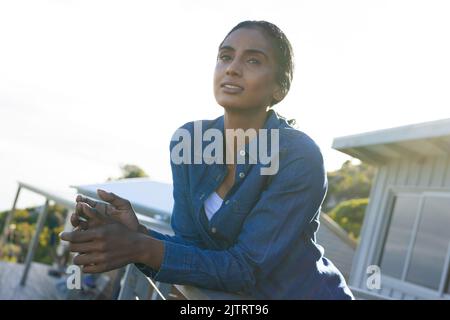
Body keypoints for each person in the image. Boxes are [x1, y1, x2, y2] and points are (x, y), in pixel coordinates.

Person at [60, 20, 354, 299]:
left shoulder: (298, 156)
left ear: (280, 88)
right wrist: (137, 233)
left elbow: (246, 269)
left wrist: (139, 247)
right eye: (225, 56)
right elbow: (195, 248)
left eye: (253, 61)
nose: (233, 69)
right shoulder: (189, 141)